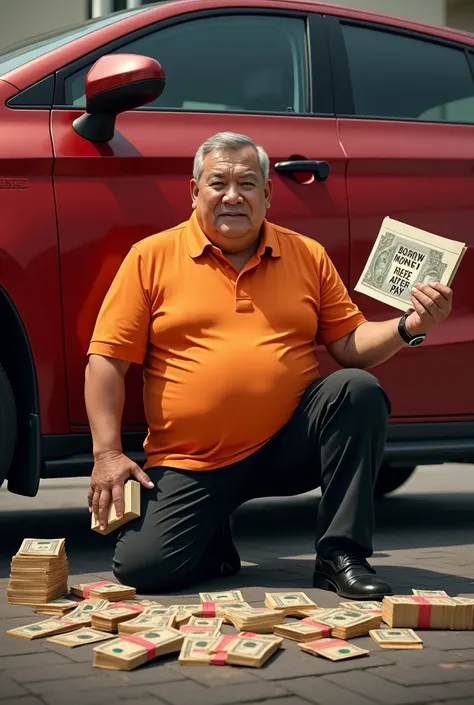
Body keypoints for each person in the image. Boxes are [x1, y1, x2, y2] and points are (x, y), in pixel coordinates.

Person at [85, 131, 452, 599]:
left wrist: (408, 325)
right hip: (191, 461)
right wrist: (107, 455)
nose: (232, 196)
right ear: (194, 192)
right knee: (143, 569)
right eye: (218, 183)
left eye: (247, 184)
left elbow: (349, 343)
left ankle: (342, 555)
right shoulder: (150, 257)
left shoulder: (306, 254)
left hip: (286, 447)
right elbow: (106, 363)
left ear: (268, 194)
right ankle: (214, 540)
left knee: (356, 389)